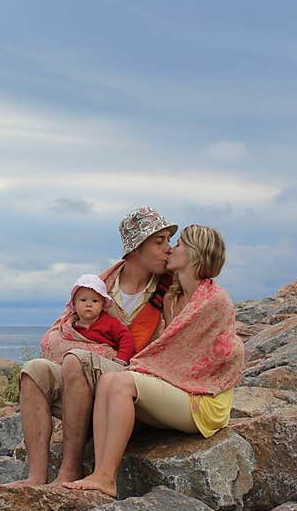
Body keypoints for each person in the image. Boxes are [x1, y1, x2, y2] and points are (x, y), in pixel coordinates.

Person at [64, 224, 245, 497]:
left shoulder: (213, 300)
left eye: (180, 244)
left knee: (124, 382)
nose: (172, 248)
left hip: (204, 401)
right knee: (110, 379)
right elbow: (171, 352)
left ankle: (107, 478)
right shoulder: (173, 299)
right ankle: (99, 472)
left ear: (196, 255)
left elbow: (191, 357)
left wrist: (141, 367)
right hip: (178, 392)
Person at [16, 206, 178, 485]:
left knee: (77, 359)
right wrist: (102, 352)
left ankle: (70, 469)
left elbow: (172, 347)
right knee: (33, 370)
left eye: (169, 241)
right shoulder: (99, 286)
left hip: (128, 386)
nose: (169, 249)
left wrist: (96, 354)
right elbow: (54, 338)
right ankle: (35, 477)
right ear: (136, 247)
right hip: (84, 372)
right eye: (159, 241)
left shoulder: (170, 289)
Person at [67, 274, 135, 365]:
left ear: (103, 305)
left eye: (95, 301)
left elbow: (127, 338)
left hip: (105, 365)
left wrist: (121, 359)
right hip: (79, 365)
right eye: (83, 300)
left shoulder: (110, 323)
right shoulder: (70, 328)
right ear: (74, 304)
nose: (88, 304)